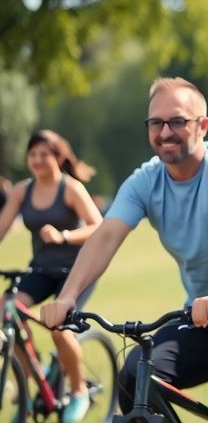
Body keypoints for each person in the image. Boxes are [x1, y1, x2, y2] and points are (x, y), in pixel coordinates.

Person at [40, 77, 208, 423]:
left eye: (178, 121)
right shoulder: (145, 181)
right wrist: (67, 297)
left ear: (203, 126)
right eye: (156, 122)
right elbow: (105, 237)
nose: (165, 131)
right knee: (135, 379)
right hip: (201, 320)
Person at [0, 130, 102, 422]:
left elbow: (99, 227)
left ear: (57, 156)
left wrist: (64, 236)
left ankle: (79, 390)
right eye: (32, 155)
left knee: (59, 330)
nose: (37, 160)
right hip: (41, 269)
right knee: (6, 310)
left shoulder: (70, 188)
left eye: (44, 154)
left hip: (76, 272)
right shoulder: (23, 191)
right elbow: (2, 227)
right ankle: (36, 375)